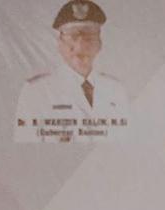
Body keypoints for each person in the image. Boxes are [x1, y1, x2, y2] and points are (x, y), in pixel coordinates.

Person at [14, 0, 130, 143]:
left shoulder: (116, 89)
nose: (80, 46)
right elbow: (27, 149)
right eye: (72, 37)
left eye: (88, 37)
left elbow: (127, 145)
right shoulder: (37, 92)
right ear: (59, 44)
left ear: (99, 44)